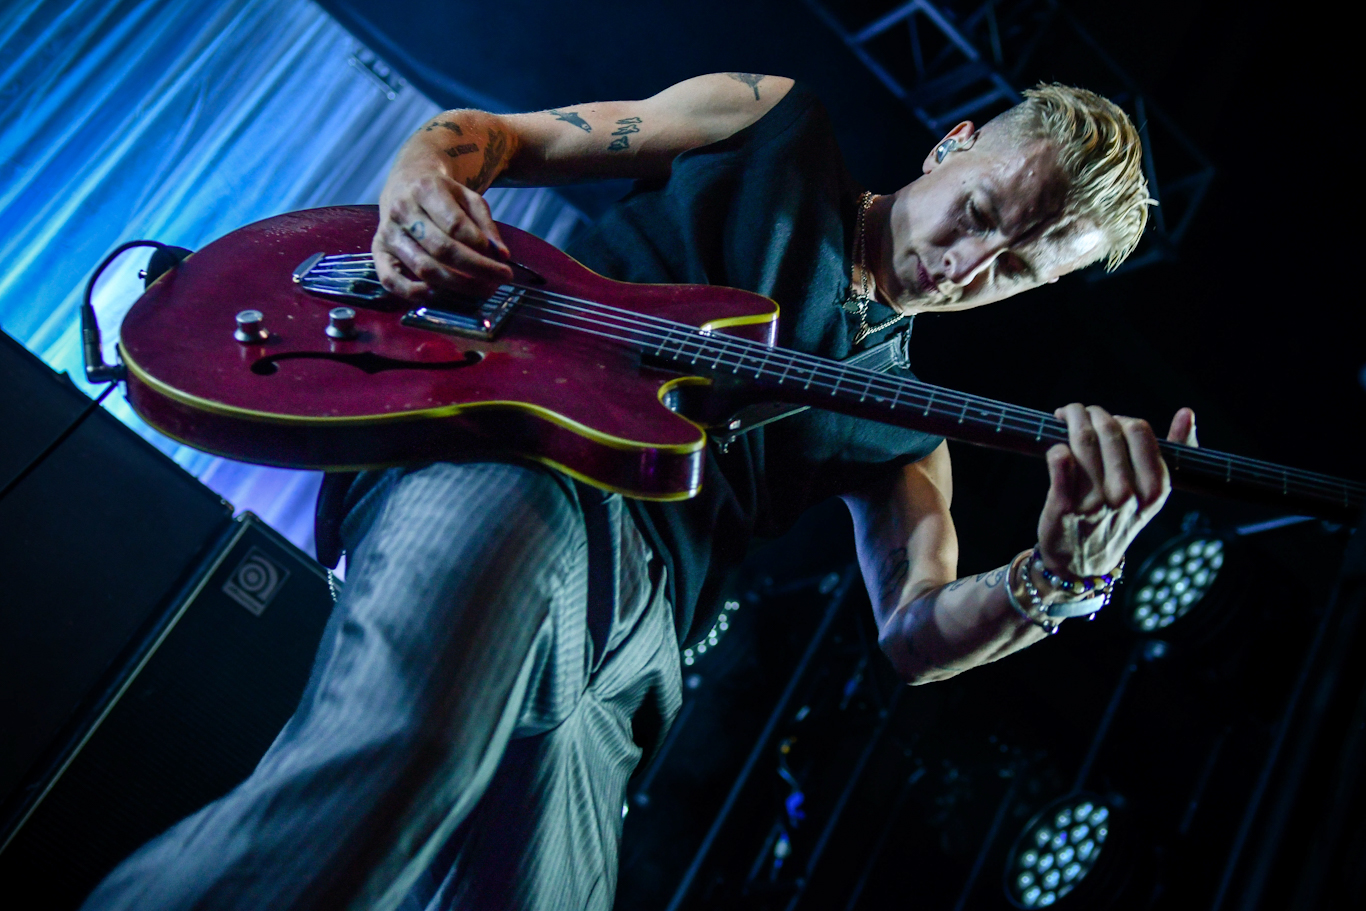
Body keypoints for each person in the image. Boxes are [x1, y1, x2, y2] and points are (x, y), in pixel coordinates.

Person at [83, 73, 1197, 910]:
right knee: (404, 753)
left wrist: (1066, 569)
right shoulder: (770, 128)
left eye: (1015, 270)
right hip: (523, 470)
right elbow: (503, 139)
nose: (967, 264)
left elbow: (915, 630)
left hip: (635, 647)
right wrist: (422, 172)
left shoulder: (910, 425)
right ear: (956, 141)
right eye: (985, 213)